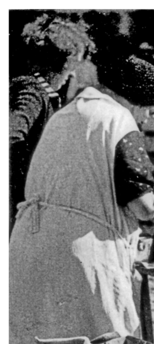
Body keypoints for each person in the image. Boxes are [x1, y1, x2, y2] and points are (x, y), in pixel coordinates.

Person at [9, 53, 154, 344]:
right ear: (133, 99)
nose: (147, 118)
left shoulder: (65, 114)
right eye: (149, 110)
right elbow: (140, 202)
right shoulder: (119, 118)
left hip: (31, 242)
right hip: (81, 253)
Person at [9, 15, 96, 235]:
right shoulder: (32, 92)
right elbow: (11, 135)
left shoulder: (43, 93)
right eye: (77, 60)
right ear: (67, 61)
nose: (75, 71)